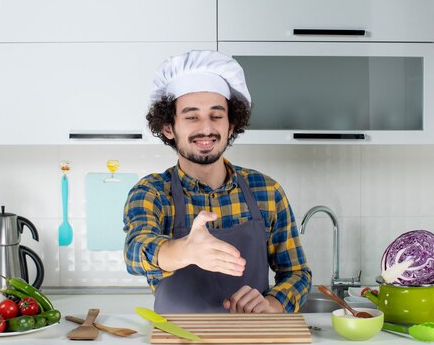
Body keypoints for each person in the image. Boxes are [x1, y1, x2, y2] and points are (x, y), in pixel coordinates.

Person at [123, 50, 311, 314]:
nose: (206, 128)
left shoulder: (267, 191)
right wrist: (185, 251)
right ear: (168, 128)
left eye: (216, 115)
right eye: (191, 116)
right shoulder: (152, 192)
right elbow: (135, 252)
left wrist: (272, 303)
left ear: (231, 125)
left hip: (252, 343)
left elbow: (297, 273)